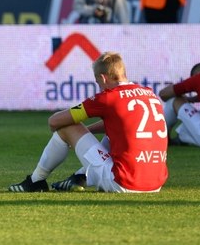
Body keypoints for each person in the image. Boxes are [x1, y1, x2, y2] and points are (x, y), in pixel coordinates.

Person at [9, 51, 168, 193]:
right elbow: (121, 125)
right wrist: (85, 134)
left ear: (103, 78)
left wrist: (74, 136)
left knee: (67, 127)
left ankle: (35, 181)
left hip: (124, 183)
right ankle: (79, 177)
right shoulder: (149, 94)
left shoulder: (108, 97)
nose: (99, 87)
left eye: (98, 83)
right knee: (112, 135)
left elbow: (54, 121)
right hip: (156, 183)